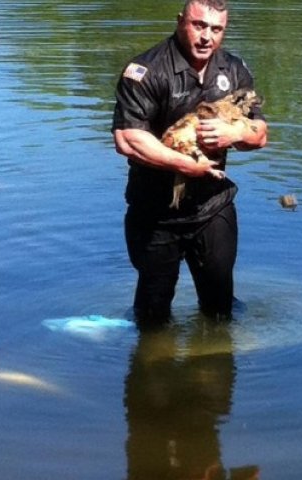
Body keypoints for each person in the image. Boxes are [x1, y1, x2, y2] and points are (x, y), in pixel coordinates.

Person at [112, 0, 268, 326]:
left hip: (213, 205)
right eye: (199, 25)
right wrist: (184, 165)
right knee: (152, 319)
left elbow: (260, 135)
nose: (206, 37)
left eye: (216, 29)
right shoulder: (145, 72)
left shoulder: (233, 70)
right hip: (156, 211)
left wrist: (233, 131)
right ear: (181, 21)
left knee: (220, 310)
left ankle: (213, 366)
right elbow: (128, 140)